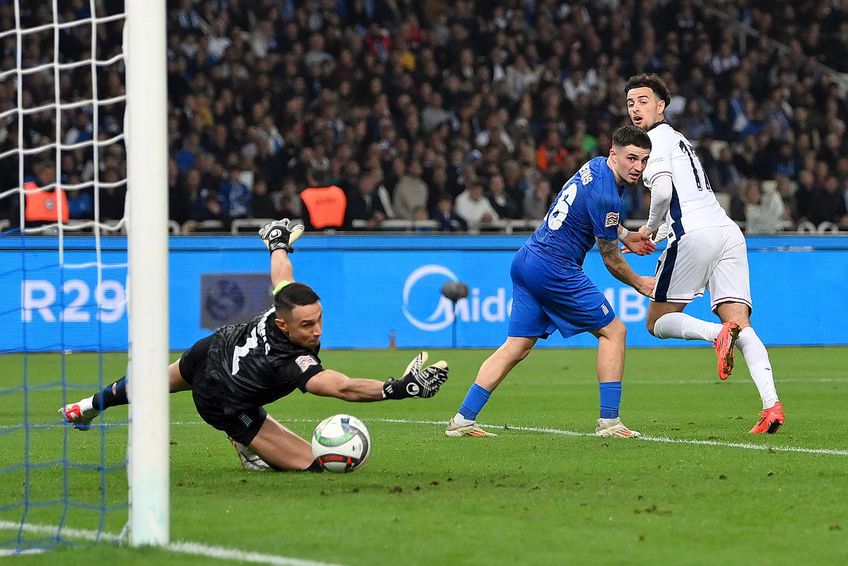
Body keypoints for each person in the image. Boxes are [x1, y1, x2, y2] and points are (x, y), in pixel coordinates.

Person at [60, 219, 449, 471]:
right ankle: (241, 437)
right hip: (222, 399)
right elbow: (340, 387)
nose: (316, 331)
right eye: (307, 325)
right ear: (283, 323)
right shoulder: (288, 360)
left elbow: (282, 275)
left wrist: (276, 242)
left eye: (319, 320)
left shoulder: (284, 305)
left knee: (148, 385)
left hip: (211, 350)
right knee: (316, 465)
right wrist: (399, 389)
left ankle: (87, 407)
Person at [445, 126, 656, 439]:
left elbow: (594, 216)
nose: (638, 166)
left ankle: (462, 419)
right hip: (554, 268)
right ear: (615, 154)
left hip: (527, 259)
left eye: (644, 160)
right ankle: (609, 423)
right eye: (632, 158)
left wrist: (628, 235)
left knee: (516, 346)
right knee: (614, 331)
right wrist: (640, 283)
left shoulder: (595, 166)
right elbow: (610, 258)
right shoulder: (607, 194)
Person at [624, 73, 784, 434]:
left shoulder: (652, 141)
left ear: (661, 105)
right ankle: (771, 405)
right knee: (742, 325)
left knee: (656, 322)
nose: (636, 108)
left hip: (695, 235)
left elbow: (663, 193)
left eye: (643, 100)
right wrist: (663, 229)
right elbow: (687, 197)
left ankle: (716, 336)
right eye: (631, 103)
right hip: (727, 232)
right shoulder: (681, 140)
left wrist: (649, 229)